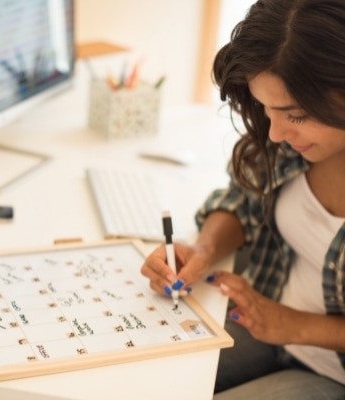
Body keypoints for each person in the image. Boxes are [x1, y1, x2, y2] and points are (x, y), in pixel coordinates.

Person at [140, 0, 345, 398]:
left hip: (330, 369)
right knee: (145, 379)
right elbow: (245, 198)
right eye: (267, 110)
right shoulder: (294, 144)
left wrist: (294, 325)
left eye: (296, 114)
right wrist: (204, 248)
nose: (274, 134)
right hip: (269, 324)